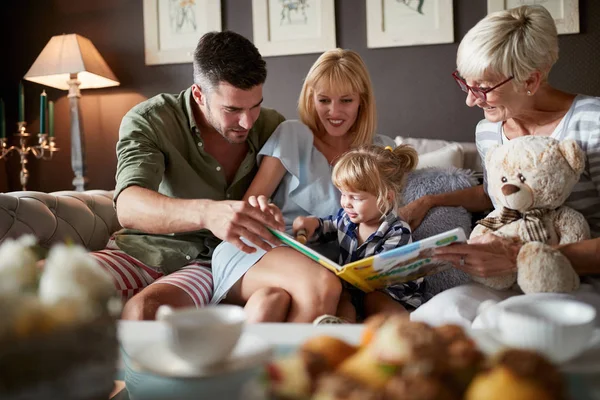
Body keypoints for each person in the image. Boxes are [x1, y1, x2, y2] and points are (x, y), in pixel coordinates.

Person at [403, 5, 600, 326]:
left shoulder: (592, 122)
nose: (470, 100)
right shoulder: (488, 130)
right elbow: (496, 195)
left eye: (482, 88)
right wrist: (429, 201)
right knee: (436, 318)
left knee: (507, 328)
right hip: (509, 279)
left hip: (579, 277)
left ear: (531, 80)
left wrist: (519, 258)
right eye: (465, 84)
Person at [88, 31, 286, 320]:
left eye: (254, 106)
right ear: (198, 94)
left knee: (145, 311)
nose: (247, 121)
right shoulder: (151, 119)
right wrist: (207, 213)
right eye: (232, 109)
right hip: (139, 249)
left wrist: (271, 216)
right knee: (44, 285)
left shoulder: (273, 126)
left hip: (208, 261)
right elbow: (128, 206)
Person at [210, 49, 395, 323]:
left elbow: (390, 216)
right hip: (263, 247)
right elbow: (250, 206)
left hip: (328, 265)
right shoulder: (293, 134)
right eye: (324, 100)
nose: (334, 111)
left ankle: (254, 363)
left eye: (346, 100)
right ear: (311, 98)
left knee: (271, 301)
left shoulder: (379, 150)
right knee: (323, 287)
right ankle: (297, 367)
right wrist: (264, 210)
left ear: (362, 101)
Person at [292, 144, 426, 322]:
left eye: (356, 197)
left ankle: (400, 327)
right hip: (354, 291)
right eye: (343, 194)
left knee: (374, 298)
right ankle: (343, 328)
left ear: (386, 197)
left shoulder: (397, 231)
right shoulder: (346, 220)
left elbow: (383, 277)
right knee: (343, 298)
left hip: (392, 293)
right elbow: (325, 228)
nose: (346, 203)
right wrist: (310, 224)